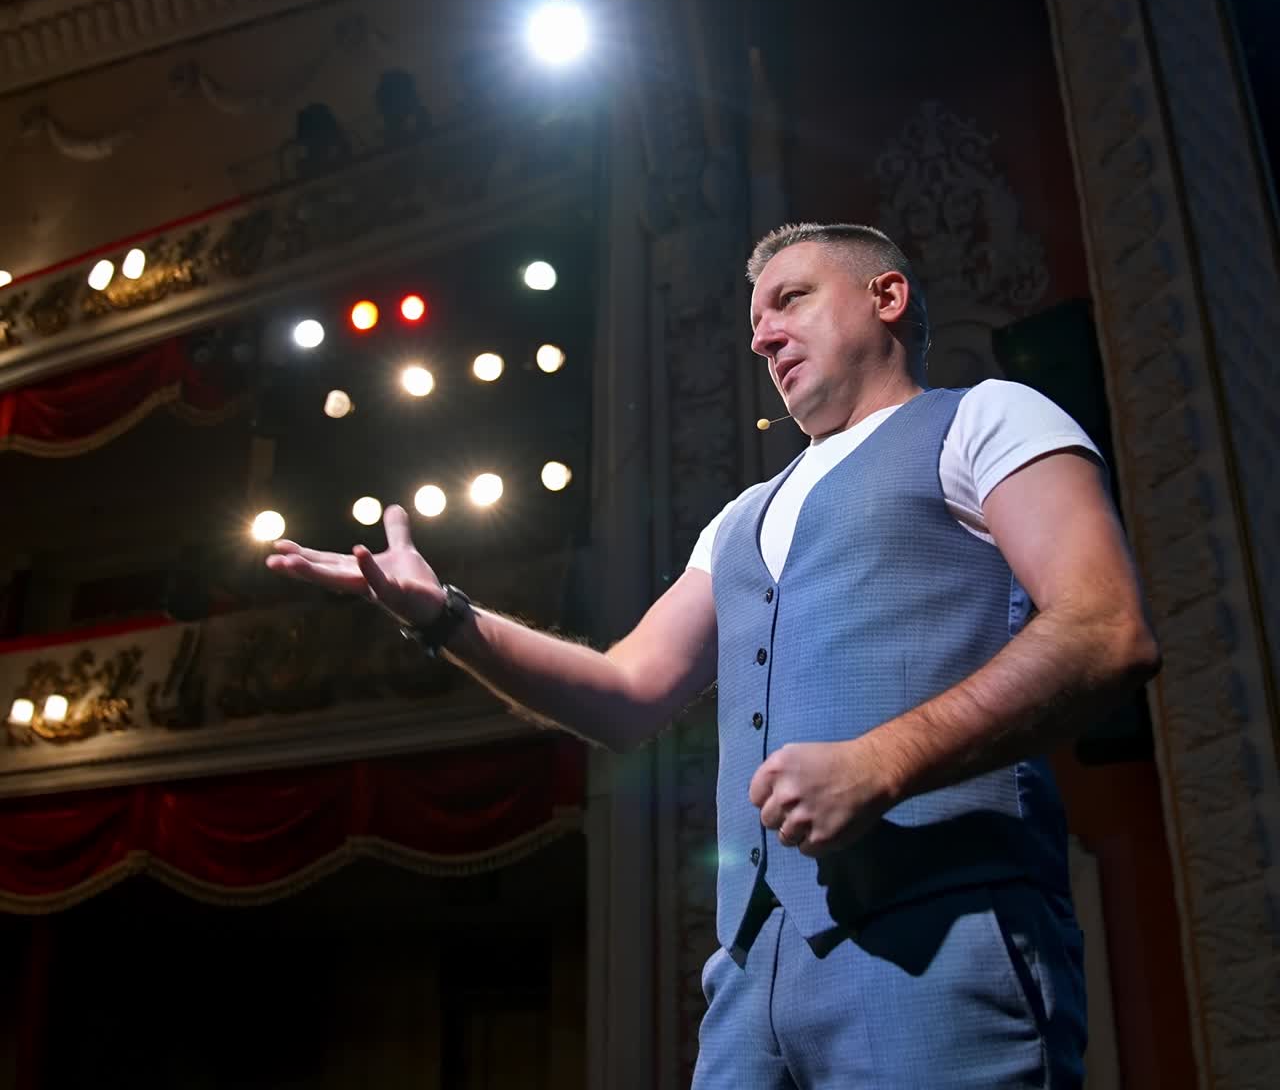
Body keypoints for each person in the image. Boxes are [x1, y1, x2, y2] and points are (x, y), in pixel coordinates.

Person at [267, 222, 1159, 1087]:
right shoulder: (738, 519)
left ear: (886, 297)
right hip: (749, 981)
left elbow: (1103, 629)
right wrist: (444, 618)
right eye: (755, 323)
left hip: (940, 935)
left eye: (791, 300)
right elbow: (625, 691)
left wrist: (882, 760)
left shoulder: (986, 416)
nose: (763, 337)